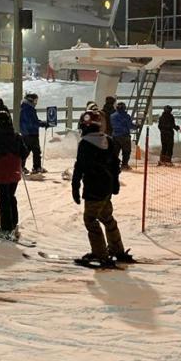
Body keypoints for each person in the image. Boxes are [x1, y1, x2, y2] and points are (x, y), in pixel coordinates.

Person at [72, 111, 133, 267]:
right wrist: (115, 184)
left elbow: (80, 167)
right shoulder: (109, 141)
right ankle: (116, 249)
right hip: (106, 187)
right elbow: (115, 165)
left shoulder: (85, 143)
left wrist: (75, 186)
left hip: (93, 187)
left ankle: (100, 254)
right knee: (107, 218)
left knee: (90, 220)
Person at [0, 110, 29, 238]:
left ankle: (6, 227)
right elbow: (25, 152)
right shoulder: (16, 135)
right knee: (11, 195)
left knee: (3, 198)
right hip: (14, 169)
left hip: (1, 170)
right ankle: (14, 223)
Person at [19, 92, 48, 174]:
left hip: (27, 132)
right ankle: (36, 167)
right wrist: (42, 124)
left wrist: (41, 123)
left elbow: (33, 121)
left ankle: (23, 166)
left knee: (29, 150)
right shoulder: (28, 109)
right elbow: (32, 122)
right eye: (35, 101)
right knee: (35, 150)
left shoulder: (26, 108)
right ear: (31, 100)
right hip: (30, 133)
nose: (36, 103)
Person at [110, 101, 134, 169]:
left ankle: (114, 165)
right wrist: (136, 126)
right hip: (124, 136)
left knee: (115, 151)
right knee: (126, 151)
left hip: (115, 136)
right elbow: (130, 125)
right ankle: (124, 165)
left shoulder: (112, 116)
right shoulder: (126, 116)